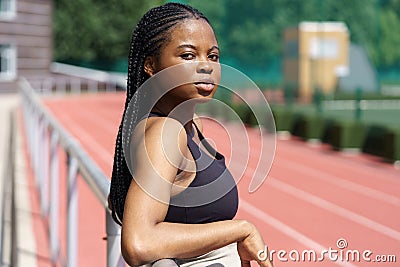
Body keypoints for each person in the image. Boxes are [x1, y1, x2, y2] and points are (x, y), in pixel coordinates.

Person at [108, 3, 273, 267]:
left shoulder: (190, 125)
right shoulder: (166, 132)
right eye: (188, 56)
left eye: (213, 56)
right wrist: (240, 230)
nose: (205, 66)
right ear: (150, 65)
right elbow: (139, 242)